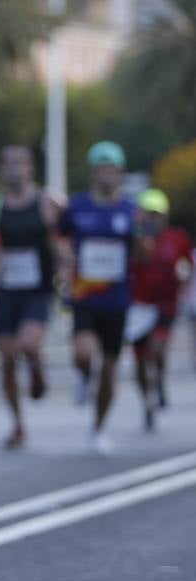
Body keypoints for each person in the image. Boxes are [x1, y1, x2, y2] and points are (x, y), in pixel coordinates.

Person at [58, 141, 135, 455]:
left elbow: (142, 253)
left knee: (110, 371)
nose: (106, 175)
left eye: (111, 169)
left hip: (117, 300)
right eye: (100, 168)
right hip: (85, 297)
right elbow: (58, 237)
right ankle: (81, 374)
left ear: (120, 173)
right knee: (83, 354)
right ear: (93, 172)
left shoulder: (130, 211)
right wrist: (64, 261)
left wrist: (144, 235)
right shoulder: (77, 207)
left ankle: (99, 427)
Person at [0, 144, 60, 449]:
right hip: (8, 289)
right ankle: (17, 423)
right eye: (8, 162)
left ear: (31, 167)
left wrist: (67, 263)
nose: (14, 168)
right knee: (6, 358)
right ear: (2, 169)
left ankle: (36, 369)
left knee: (29, 343)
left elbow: (66, 238)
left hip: (38, 289)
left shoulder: (47, 203)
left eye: (20, 162)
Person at [128, 188, 192, 429]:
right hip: (139, 306)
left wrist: (185, 283)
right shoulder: (134, 238)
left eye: (156, 214)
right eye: (148, 214)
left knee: (156, 350)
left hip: (166, 304)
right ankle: (147, 400)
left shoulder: (177, 238)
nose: (152, 219)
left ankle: (160, 382)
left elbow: (187, 265)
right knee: (141, 360)